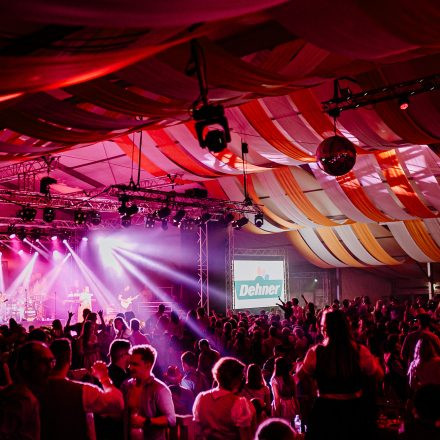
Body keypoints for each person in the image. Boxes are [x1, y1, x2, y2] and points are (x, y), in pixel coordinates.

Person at [298, 310, 383, 440]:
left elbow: (300, 376)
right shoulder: (360, 351)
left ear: (325, 328)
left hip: (325, 411)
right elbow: (378, 375)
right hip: (354, 410)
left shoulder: (315, 353)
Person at [39, 338, 124, 440]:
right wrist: (103, 377)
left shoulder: (32, 388)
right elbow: (116, 403)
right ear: (69, 360)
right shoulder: (81, 391)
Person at [0, 341, 54, 440]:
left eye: (51, 362)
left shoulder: (20, 393)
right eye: (43, 362)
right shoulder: (22, 398)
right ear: (26, 365)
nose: (50, 368)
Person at [193, 357, 255, 440]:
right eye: (242, 377)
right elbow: (245, 437)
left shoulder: (201, 397)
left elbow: (197, 431)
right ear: (236, 379)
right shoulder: (239, 403)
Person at [122, 344, 176, 440]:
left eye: (135, 364)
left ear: (148, 365)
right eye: (130, 364)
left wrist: (146, 421)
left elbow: (171, 420)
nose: (130, 368)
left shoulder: (160, 389)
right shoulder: (126, 386)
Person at [270, 357, 299, 423]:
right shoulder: (291, 378)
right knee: (291, 425)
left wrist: (277, 411)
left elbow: (276, 398)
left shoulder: (275, 379)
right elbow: (295, 395)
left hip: (281, 406)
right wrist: (297, 407)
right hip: (291, 405)